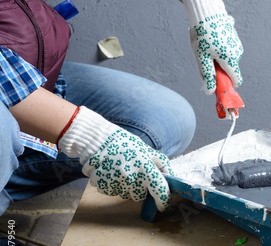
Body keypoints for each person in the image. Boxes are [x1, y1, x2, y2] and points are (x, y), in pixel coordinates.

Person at [0, 0, 244, 217]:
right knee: (2, 130)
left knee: (169, 119)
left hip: (36, 78)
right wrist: (89, 136)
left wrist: (205, 9)